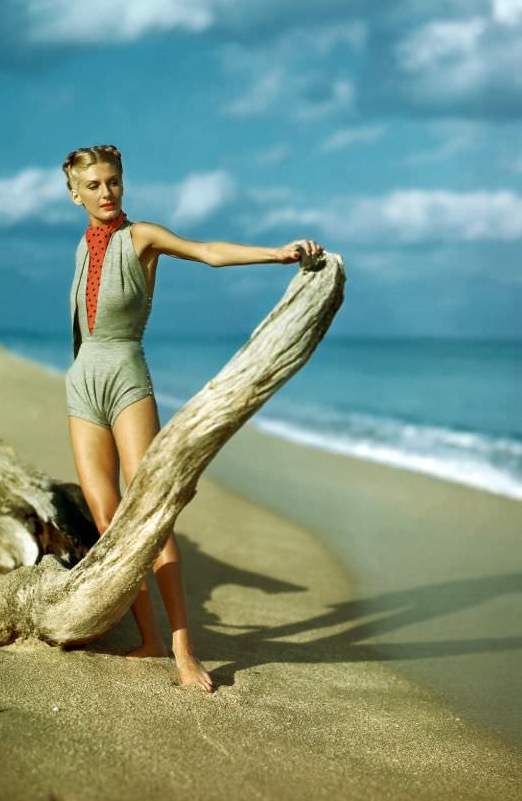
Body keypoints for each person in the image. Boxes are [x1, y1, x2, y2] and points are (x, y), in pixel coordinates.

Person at [61, 144, 324, 692]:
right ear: (74, 193)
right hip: (81, 383)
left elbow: (207, 251)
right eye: (93, 186)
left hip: (127, 378)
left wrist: (278, 254)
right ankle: (148, 635)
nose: (106, 193)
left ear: (123, 185)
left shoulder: (143, 238)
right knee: (108, 521)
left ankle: (182, 649)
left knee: (151, 512)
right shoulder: (83, 248)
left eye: (113, 183)